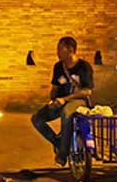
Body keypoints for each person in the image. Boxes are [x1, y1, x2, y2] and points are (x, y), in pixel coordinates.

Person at [31, 36, 94, 167]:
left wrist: (64, 99)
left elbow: (87, 91)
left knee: (67, 113)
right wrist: (52, 101)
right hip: (60, 101)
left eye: (60, 49)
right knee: (37, 119)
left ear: (70, 50)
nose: (57, 52)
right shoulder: (58, 67)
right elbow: (55, 88)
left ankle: (63, 154)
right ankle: (59, 142)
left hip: (77, 101)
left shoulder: (83, 67)